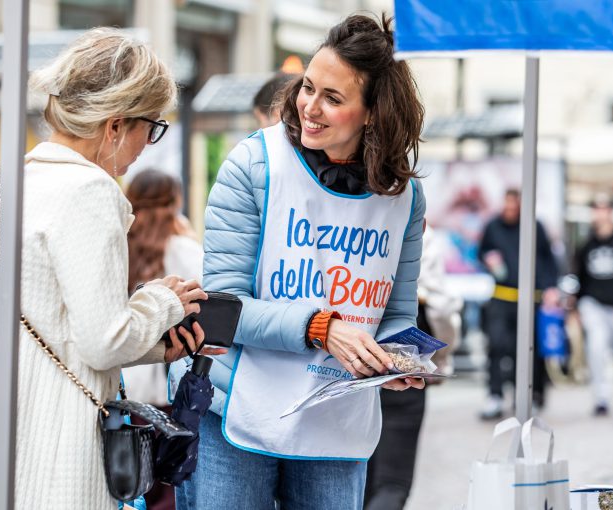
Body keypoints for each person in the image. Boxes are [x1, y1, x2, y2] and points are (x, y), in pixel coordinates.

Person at [0, 28, 226, 509]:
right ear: (117, 125)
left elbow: (63, 333)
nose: (150, 142)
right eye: (153, 126)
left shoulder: (16, 183)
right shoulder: (89, 192)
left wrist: (157, 347)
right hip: (50, 438)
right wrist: (162, 300)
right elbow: (103, 342)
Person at [171, 14, 426, 510]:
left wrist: (396, 359)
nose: (310, 107)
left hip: (336, 424)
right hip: (236, 415)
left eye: (333, 98)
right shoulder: (255, 164)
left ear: (372, 112)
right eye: (308, 87)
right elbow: (222, 307)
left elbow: (395, 312)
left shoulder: (405, 197)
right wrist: (321, 327)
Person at [364, 220, 462, 510]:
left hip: (352, 350)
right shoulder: (419, 232)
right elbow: (442, 309)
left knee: (357, 474)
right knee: (393, 480)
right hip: (405, 350)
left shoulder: (352, 217)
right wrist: (441, 359)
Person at [121, 169, 203, 510]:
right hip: (170, 397)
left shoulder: (118, 247)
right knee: (170, 493)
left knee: (132, 492)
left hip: (126, 396)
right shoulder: (183, 249)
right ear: (176, 202)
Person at [478, 189, 559, 420]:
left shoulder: (535, 227)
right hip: (501, 298)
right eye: (507, 205)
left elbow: (548, 260)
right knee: (495, 346)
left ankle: (525, 397)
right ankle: (494, 395)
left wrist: (550, 287)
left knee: (526, 350)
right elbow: (481, 251)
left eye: (515, 206)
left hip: (529, 299)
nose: (510, 210)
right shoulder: (493, 226)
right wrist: (488, 259)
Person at [574, 194, 613, 416]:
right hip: (594, 304)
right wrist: (576, 306)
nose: (600, 214)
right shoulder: (586, 243)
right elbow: (579, 277)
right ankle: (601, 398)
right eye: (596, 209)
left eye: (604, 209)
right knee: (597, 346)